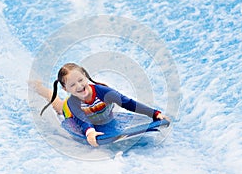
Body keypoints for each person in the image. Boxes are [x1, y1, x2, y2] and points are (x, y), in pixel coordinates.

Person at [29, 63, 170, 147]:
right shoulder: (73, 102)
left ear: (85, 76)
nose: (79, 86)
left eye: (80, 80)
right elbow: (81, 120)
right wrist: (90, 132)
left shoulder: (104, 92)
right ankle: (40, 89)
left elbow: (129, 103)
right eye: (72, 85)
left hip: (102, 116)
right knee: (59, 107)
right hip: (75, 114)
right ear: (66, 89)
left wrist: (155, 113)